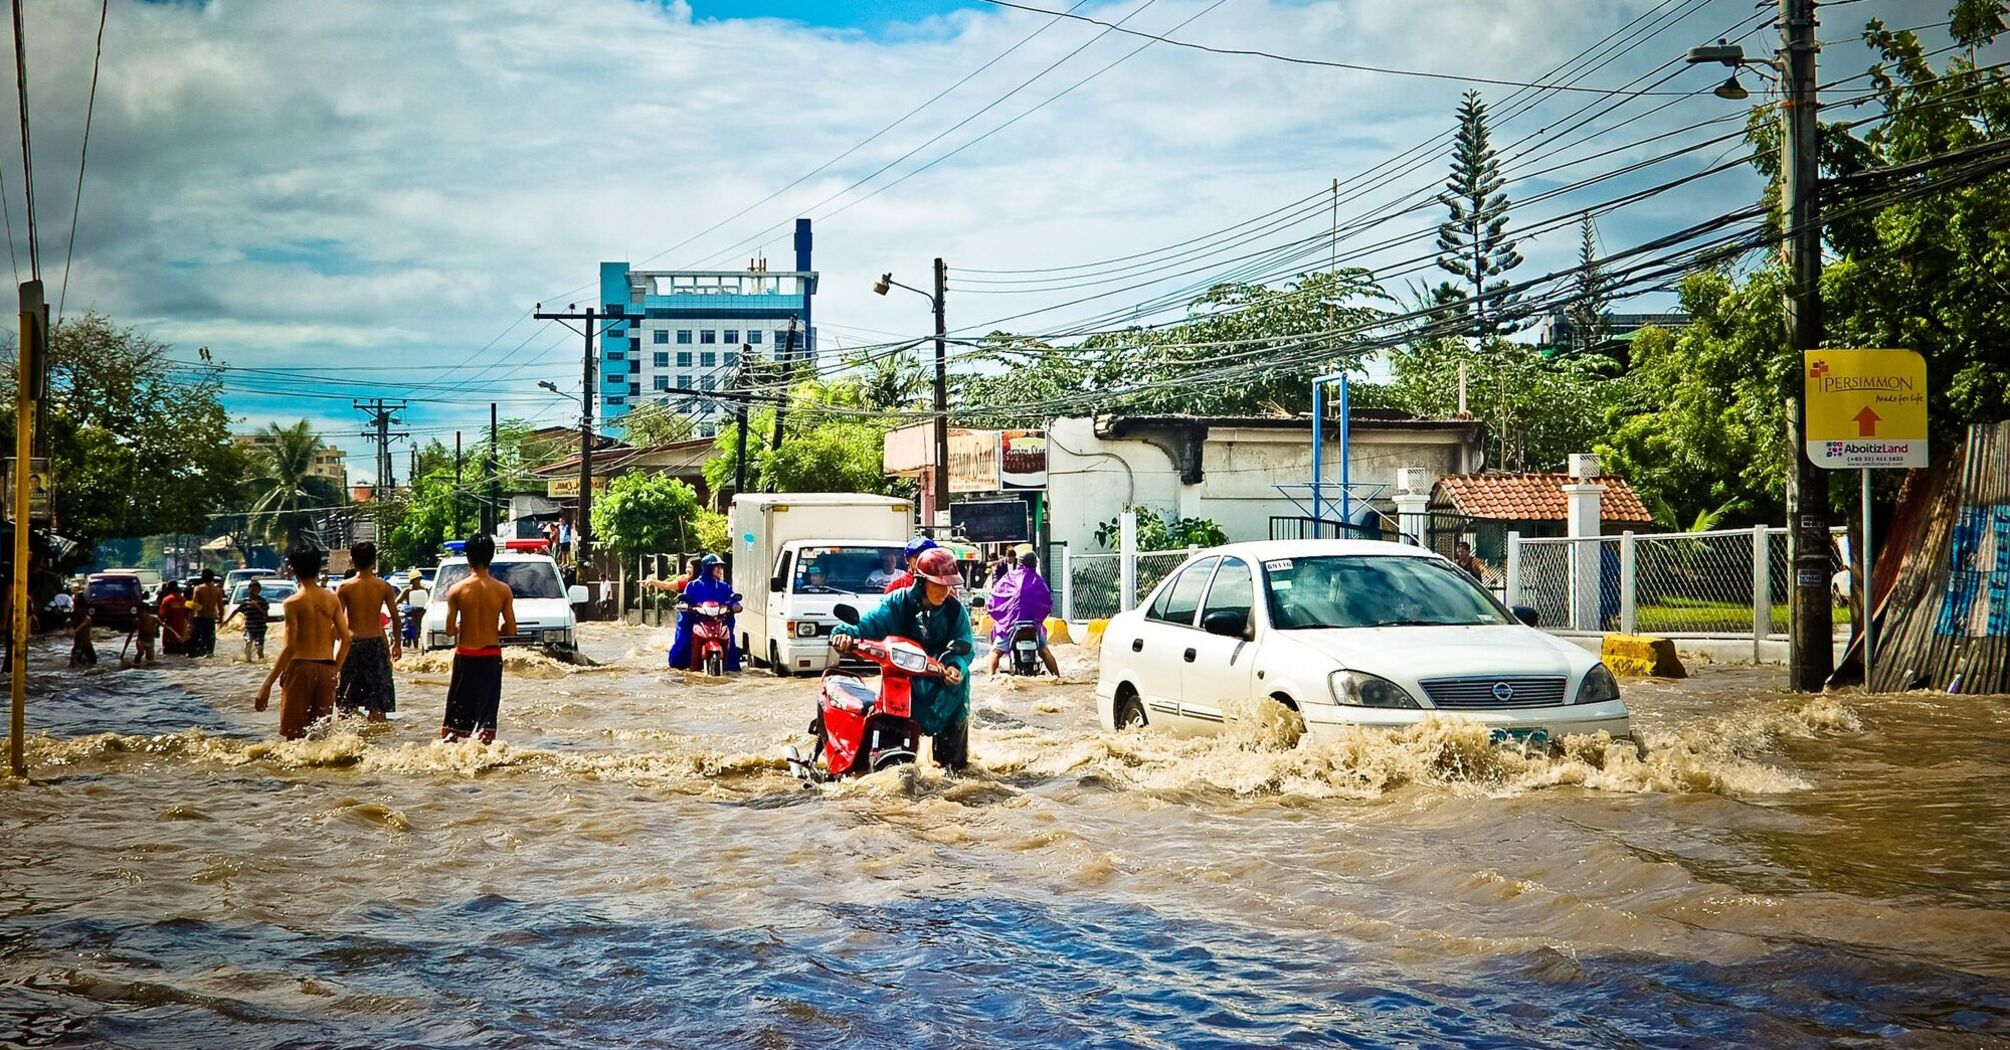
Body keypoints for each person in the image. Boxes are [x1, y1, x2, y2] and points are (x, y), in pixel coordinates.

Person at [832, 547, 974, 771]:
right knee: (893, 761)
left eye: (948, 585)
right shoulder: (897, 603)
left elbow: (964, 645)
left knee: (955, 770)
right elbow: (870, 624)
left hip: (946, 687)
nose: (944, 591)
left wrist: (957, 667)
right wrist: (845, 634)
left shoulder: (956, 612)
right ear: (921, 581)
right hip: (905, 682)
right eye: (938, 584)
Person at [256, 547, 352, 740]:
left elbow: (290, 647)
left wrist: (266, 686)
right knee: (320, 737)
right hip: (326, 669)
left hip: (300, 669)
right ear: (319, 569)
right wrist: (335, 669)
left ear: (293, 570)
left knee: (294, 737)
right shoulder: (331, 599)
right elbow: (347, 639)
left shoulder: (293, 602)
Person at [441, 534, 516, 744]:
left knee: (456, 720)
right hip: (491, 656)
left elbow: (448, 631)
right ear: (491, 557)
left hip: (465, 655)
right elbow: (511, 629)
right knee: (486, 717)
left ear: (468, 558)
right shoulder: (502, 590)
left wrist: (462, 625)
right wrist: (494, 627)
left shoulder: (456, 590)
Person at [335, 541, 401, 722]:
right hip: (376, 644)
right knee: (378, 703)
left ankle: (345, 743)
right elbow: (396, 618)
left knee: (346, 702)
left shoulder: (345, 587)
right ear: (374, 561)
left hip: (352, 645)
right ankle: (379, 743)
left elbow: (336, 621)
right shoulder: (383, 586)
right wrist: (397, 644)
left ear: (352, 561)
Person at [985, 550, 1061, 676]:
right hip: (1033, 626)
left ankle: (990, 677)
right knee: (1044, 651)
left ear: (1019, 562)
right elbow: (1047, 602)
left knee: (995, 652)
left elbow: (995, 597)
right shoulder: (1039, 581)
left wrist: (998, 614)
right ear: (1034, 564)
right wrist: (1038, 619)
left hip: (1009, 625)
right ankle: (1058, 677)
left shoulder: (1009, 578)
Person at [668, 554, 741, 671]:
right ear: (707, 568)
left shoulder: (724, 586)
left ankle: (732, 667)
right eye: (715, 566)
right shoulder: (693, 585)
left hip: (719, 622)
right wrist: (686, 606)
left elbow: (731, 599)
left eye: (720, 567)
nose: (719, 569)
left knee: (731, 642)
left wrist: (735, 606)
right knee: (683, 641)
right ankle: (680, 664)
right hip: (698, 621)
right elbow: (685, 599)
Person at [223, 579, 271, 661]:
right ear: (249, 589)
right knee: (248, 644)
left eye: (255, 590)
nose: (253, 592)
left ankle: (261, 660)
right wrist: (227, 621)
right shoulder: (245, 602)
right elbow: (236, 611)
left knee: (259, 648)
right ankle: (248, 662)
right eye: (252, 589)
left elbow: (266, 615)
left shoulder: (263, 602)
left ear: (259, 591)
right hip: (249, 628)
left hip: (260, 629)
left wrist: (257, 606)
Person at [189, 570, 225, 658]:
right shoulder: (217, 591)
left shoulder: (198, 589)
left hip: (199, 618)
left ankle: (193, 654)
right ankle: (209, 653)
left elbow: (194, 605)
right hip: (210, 618)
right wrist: (221, 620)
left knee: (195, 640)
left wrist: (190, 622)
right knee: (209, 640)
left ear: (203, 577)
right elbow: (221, 607)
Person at [157, 582, 191, 656]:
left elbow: (161, 616)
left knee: (169, 655)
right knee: (181, 655)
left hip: (170, 634)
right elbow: (188, 616)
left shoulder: (166, 600)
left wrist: (156, 628)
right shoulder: (184, 600)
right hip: (181, 634)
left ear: (168, 589)